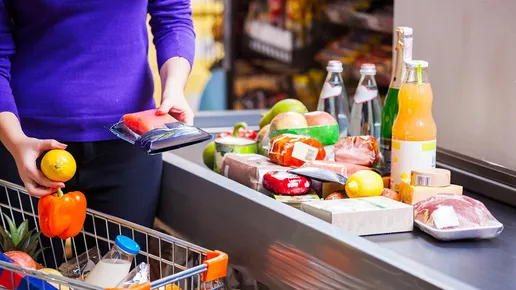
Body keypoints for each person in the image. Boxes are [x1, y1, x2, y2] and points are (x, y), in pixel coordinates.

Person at [0, 1, 195, 268]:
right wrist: (15, 141)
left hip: (128, 143)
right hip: (25, 145)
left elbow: (172, 16)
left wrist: (174, 88)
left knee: (116, 277)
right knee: (26, 278)